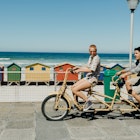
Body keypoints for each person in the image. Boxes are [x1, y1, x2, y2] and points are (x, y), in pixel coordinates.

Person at [71, 44, 100, 111]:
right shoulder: (91, 57)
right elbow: (87, 66)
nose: (92, 53)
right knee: (72, 87)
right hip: (88, 77)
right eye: (91, 51)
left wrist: (79, 70)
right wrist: (78, 67)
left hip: (93, 79)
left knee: (75, 90)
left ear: (96, 51)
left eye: (94, 51)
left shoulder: (96, 58)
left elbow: (91, 70)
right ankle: (76, 104)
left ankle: (88, 101)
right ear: (89, 51)